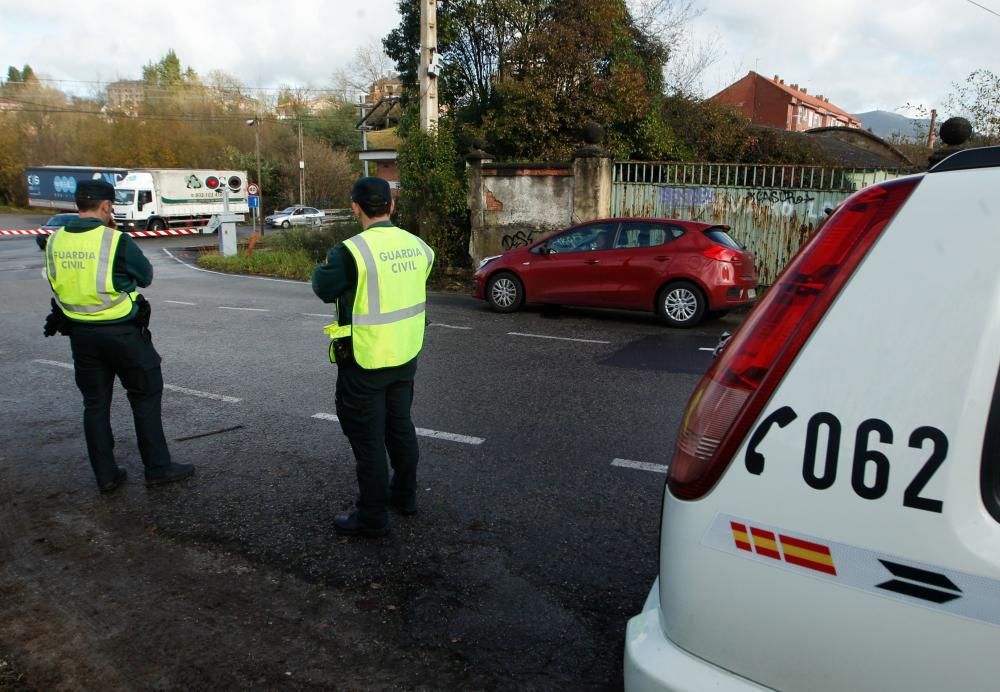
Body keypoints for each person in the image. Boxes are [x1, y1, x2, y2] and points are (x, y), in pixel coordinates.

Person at [43, 179, 194, 493]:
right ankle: (157, 468)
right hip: (122, 334)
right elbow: (146, 276)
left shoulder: (55, 241)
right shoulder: (114, 240)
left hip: (80, 336)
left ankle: (106, 476)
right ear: (106, 206)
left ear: (76, 205)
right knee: (145, 396)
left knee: (95, 405)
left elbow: (56, 284)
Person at [312, 176, 434, 538]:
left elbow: (322, 287)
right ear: (391, 206)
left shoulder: (350, 252)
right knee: (400, 429)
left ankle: (372, 516)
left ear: (355, 208)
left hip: (365, 360)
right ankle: (405, 497)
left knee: (368, 441)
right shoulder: (420, 247)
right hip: (405, 355)